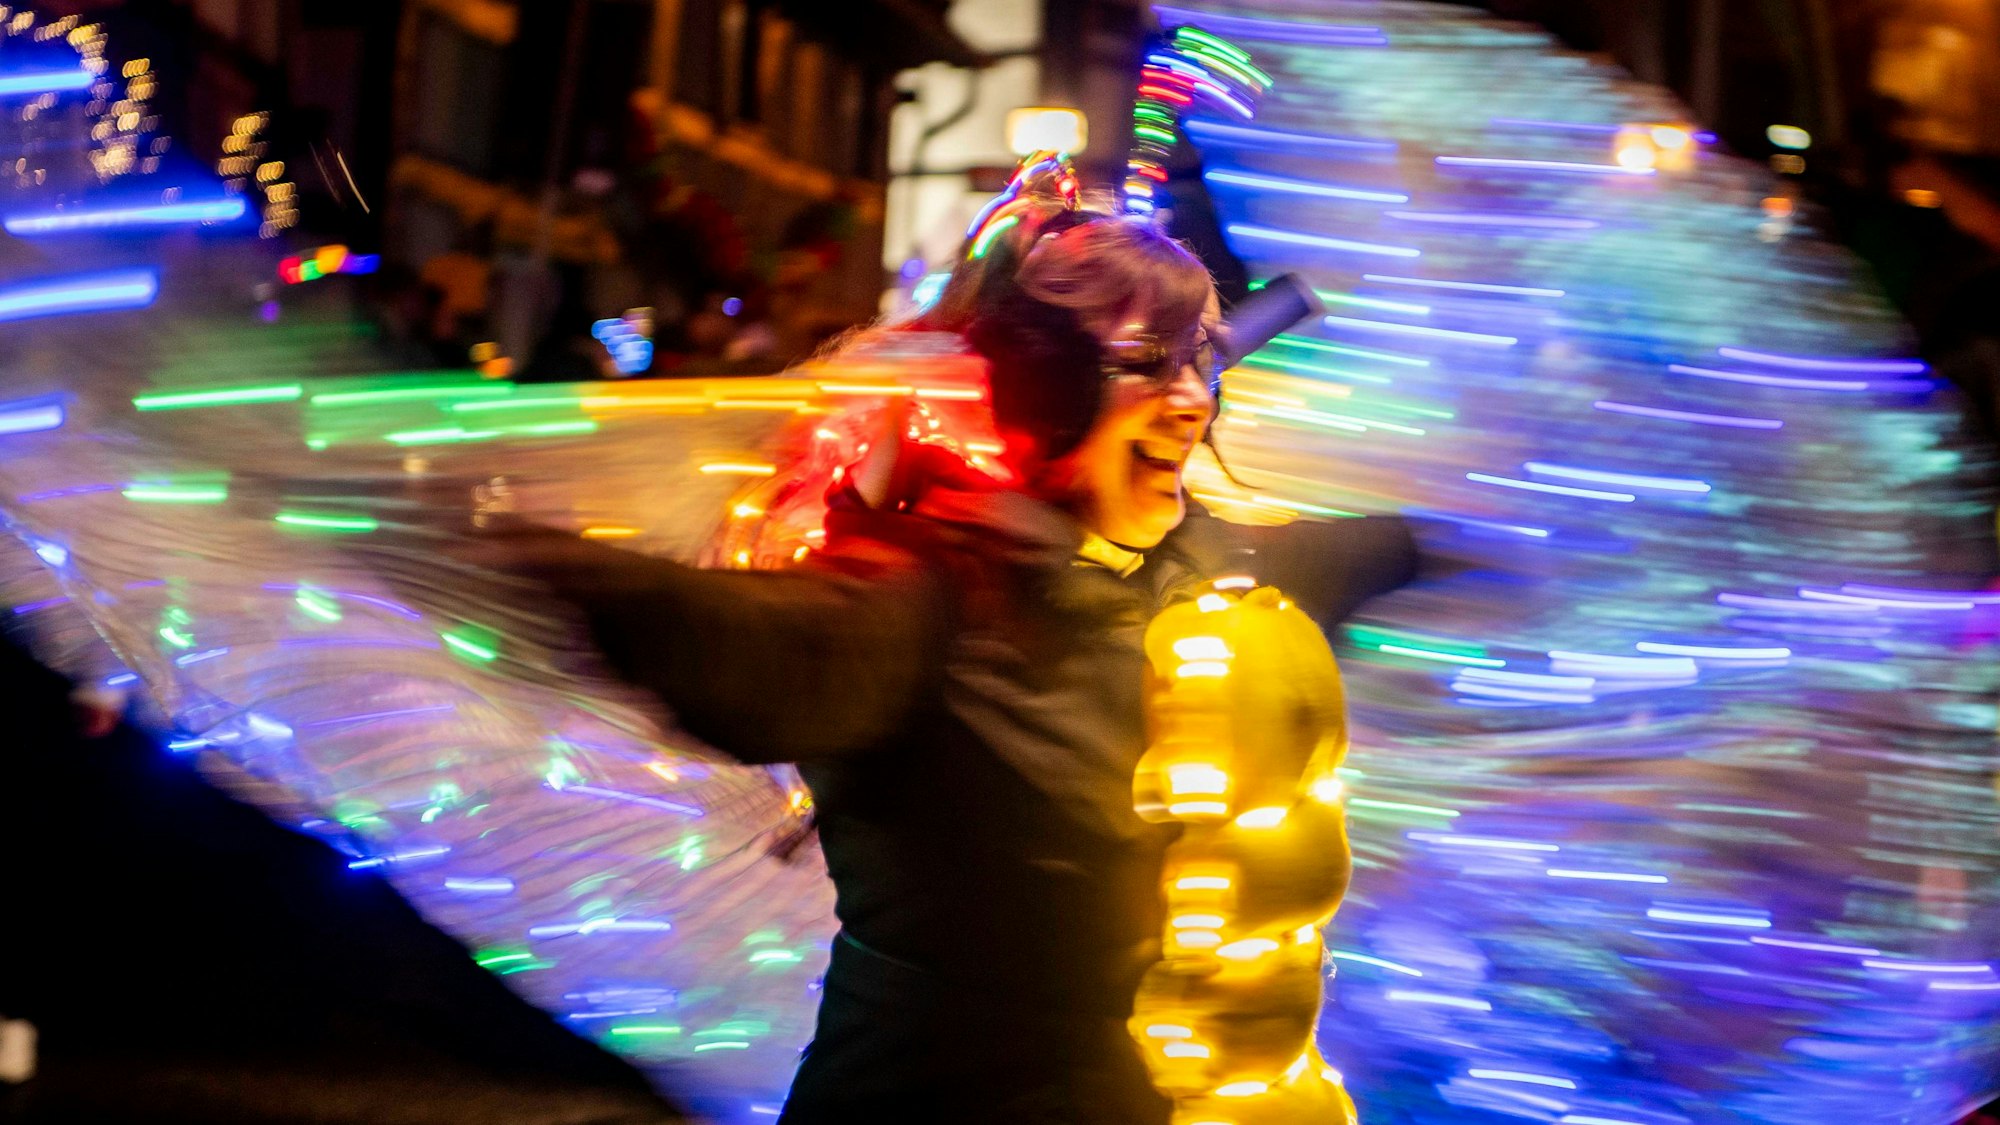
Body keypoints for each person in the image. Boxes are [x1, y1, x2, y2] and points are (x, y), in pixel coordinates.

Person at [471, 184, 1414, 1123]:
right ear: (1038, 392)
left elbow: (1416, 546)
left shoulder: (1216, 568)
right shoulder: (919, 602)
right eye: (1143, 363)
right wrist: (518, 555)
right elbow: (744, 647)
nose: (1191, 401)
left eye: (1202, 363)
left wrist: (1482, 526)